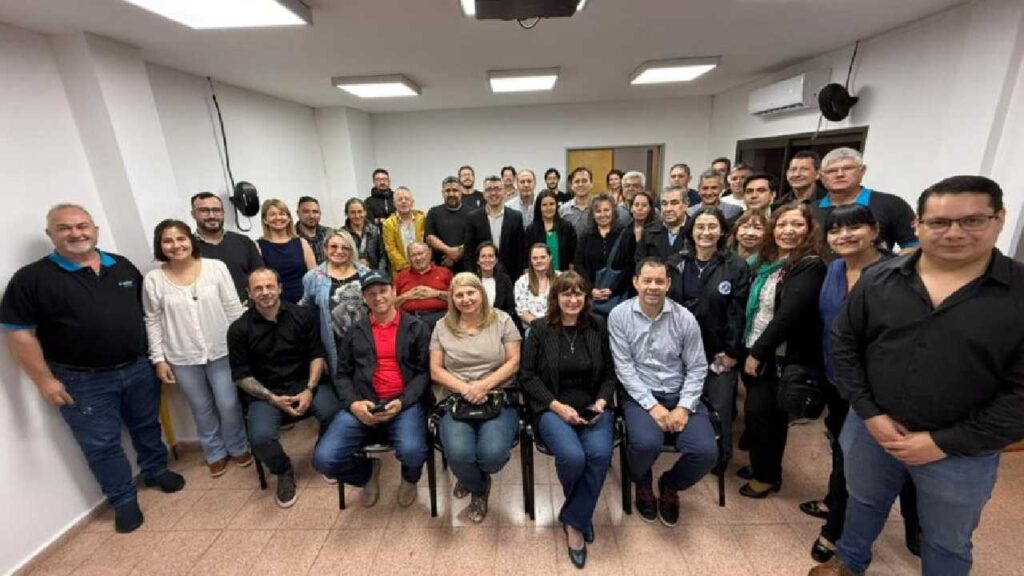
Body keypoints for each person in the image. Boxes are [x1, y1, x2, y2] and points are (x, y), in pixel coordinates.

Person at [812, 176, 1024, 576]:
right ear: (918, 225)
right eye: (940, 222)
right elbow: (845, 344)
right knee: (862, 502)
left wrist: (943, 442)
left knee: (946, 539)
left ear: (999, 219)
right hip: (872, 428)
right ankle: (849, 562)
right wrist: (870, 414)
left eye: (973, 220)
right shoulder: (880, 278)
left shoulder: (1018, 292)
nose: (954, 233)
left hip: (962, 448)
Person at [1, 204, 185, 533]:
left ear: (95, 230)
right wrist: (44, 381)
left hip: (137, 367)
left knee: (146, 425)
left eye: (82, 226)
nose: (76, 233)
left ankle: (155, 470)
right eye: (65, 228)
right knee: (101, 443)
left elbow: (147, 314)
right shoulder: (31, 279)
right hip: (82, 379)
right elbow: (19, 334)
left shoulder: (122, 266)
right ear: (50, 234)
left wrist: (155, 358)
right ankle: (123, 499)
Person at [807, 204, 919, 565]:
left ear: (874, 231)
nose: (844, 236)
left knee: (855, 459)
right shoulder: (835, 269)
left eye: (854, 227)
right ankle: (834, 502)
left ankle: (835, 532)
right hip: (835, 377)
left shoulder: (898, 273)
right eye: (836, 230)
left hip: (874, 387)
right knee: (840, 448)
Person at [609, 257, 718, 526]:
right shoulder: (619, 316)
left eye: (659, 281)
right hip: (640, 394)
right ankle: (643, 482)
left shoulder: (685, 318)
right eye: (647, 280)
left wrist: (684, 407)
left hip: (679, 393)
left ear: (668, 284)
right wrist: (652, 406)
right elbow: (624, 369)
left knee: (706, 452)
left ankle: (670, 484)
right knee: (645, 444)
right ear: (636, 282)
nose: (653, 287)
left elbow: (697, 367)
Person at [519, 271, 616, 568]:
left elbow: (610, 374)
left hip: (593, 406)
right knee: (573, 457)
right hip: (551, 407)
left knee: (599, 455)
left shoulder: (597, 325)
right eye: (566, 293)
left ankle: (574, 518)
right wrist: (557, 407)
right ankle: (580, 518)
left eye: (578, 293)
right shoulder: (539, 329)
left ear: (586, 297)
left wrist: (600, 402)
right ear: (556, 298)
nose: (573, 300)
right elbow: (527, 376)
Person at [312, 271, 431, 509]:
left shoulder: (416, 327)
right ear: (364, 298)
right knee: (324, 459)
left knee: (413, 451)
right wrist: (353, 404)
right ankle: (367, 473)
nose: (378, 297)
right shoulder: (355, 331)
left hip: (404, 402)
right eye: (371, 293)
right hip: (363, 403)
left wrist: (403, 401)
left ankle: (410, 479)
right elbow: (342, 374)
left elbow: (424, 373)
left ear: (394, 292)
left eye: (383, 291)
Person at [227, 268, 342, 508]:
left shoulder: (302, 315)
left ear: (279, 288)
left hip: (305, 383)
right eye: (258, 288)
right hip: (266, 393)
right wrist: (272, 398)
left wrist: (310, 389)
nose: (265, 292)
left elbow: (317, 355)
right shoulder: (238, 329)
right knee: (260, 438)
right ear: (249, 293)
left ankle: (324, 452)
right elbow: (241, 376)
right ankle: (283, 470)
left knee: (335, 412)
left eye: (269, 286)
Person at [143, 220, 249, 478]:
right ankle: (214, 452)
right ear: (160, 245)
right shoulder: (154, 279)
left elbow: (233, 308)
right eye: (168, 241)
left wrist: (243, 346)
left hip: (222, 349)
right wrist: (158, 359)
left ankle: (238, 445)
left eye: (181, 238)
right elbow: (152, 320)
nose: (176, 245)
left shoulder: (216, 267)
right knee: (201, 407)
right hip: (182, 355)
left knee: (228, 402)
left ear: (191, 240)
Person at [740, 203, 826, 498]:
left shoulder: (809, 265)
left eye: (797, 225)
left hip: (776, 354)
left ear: (809, 230)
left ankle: (765, 477)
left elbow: (788, 316)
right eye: (781, 225)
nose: (788, 231)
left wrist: (758, 352)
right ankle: (764, 467)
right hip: (756, 343)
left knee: (761, 415)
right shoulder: (770, 263)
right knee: (768, 416)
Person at [431, 272, 522, 523]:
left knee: (492, 456)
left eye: (470, 292)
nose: (466, 299)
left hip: (498, 394)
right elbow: (435, 370)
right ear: (452, 299)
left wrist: (483, 386)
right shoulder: (442, 326)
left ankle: (471, 475)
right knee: (459, 454)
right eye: (459, 295)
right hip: (456, 397)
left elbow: (514, 361)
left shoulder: (502, 320)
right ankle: (479, 487)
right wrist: (465, 389)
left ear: (481, 293)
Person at [665, 207, 750, 466]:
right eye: (700, 227)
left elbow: (739, 314)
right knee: (685, 403)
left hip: (718, 352)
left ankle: (719, 459)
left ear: (722, 231)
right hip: (680, 350)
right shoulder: (676, 263)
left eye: (712, 226)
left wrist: (732, 352)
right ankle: (692, 451)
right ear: (691, 231)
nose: (706, 232)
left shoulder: (736, 266)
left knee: (720, 407)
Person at [814, 147, 918, 252]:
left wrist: (894, 261)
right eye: (831, 171)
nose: (839, 174)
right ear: (821, 176)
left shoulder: (891, 204)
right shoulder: (811, 210)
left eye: (848, 168)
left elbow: (915, 246)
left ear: (862, 170)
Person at [299, 230, 369, 376]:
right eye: (333, 246)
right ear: (325, 248)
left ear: (351, 250)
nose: (339, 251)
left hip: (366, 343)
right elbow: (305, 313)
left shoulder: (365, 273)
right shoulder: (313, 277)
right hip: (332, 347)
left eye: (345, 247)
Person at [191, 192, 264, 303]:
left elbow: (260, 276)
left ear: (223, 212)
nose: (211, 216)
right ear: (193, 214)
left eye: (216, 210)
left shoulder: (244, 242)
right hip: (208, 310)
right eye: (204, 211)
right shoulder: (186, 247)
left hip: (247, 308)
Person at [573, 193, 629, 314]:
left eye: (606, 210)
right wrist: (590, 289)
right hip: (591, 298)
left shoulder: (624, 234)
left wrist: (613, 289)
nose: (603, 214)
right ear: (592, 214)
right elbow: (579, 265)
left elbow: (629, 266)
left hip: (618, 298)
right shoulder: (585, 236)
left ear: (613, 211)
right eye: (598, 211)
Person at [465, 175, 526, 278]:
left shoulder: (516, 217)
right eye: (489, 190)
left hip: (510, 275)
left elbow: (520, 250)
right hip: (481, 275)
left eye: (497, 189)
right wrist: (472, 276)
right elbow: (469, 252)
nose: (493, 193)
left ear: (504, 192)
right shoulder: (473, 218)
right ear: (484, 194)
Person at [257, 199, 315, 303]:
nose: (278, 217)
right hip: (276, 305)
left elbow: (314, 276)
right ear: (265, 220)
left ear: (288, 218)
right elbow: (260, 280)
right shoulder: (258, 246)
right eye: (272, 214)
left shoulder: (302, 243)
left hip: (305, 303)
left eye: (282, 214)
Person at [394, 241, 452, 328]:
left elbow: (456, 297)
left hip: (440, 317)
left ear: (429, 254)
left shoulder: (445, 273)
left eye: (420, 254)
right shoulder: (400, 277)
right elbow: (390, 304)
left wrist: (437, 293)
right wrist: (407, 296)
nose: (418, 258)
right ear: (408, 258)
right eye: (413, 255)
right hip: (410, 319)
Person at [425, 176, 472, 272]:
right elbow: (429, 237)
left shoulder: (472, 213)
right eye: (447, 191)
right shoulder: (433, 212)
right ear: (442, 193)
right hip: (440, 268)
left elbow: (475, 238)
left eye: (455, 190)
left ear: (461, 192)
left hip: (467, 269)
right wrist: (449, 251)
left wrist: (458, 253)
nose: (451, 194)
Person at [635, 186, 692, 262]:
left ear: (686, 204)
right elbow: (639, 262)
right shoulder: (648, 231)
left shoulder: (695, 230)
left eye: (674, 203)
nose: (668, 209)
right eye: (664, 204)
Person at [525, 190, 576, 273]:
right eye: (544, 205)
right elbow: (527, 258)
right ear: (539, 207)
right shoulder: (531, 230)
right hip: (539, 276)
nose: (548, 208)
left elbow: (572, 258)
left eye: (552, 204)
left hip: (563, 276)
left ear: (556, 205)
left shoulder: (567, 227)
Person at [381, 186, 425, 278]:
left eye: (406, 199)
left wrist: (422, 262)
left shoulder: (423, 218)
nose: (403, 201)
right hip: (401, 270)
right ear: (394, 203)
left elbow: (427, 242)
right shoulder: (388, 224)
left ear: (412, 202)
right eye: (400, 199)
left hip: (424, 266)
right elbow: (391, 248)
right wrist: (406, 266)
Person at [473, 241, 517, 326]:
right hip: (476, 324)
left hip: (500, 324)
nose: (487, 260)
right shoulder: (472, 280)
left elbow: (511, 309)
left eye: (491, 256)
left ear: (496, 260)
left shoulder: (505, 280)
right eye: (483, 256)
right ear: (478, 261)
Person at [515, 243, 558, 327]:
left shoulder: (561, 278)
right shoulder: (521, 282)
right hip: (533, 327)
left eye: (543, 257)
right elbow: (522, 312)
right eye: (535, 258)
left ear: (550, 258)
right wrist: (540, 326)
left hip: (557, 325)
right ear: (530, 260)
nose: (539, 261)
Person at [342, 198, 387, 272]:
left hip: (374, 273)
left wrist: (379, 273)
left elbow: (383, 255)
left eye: (360, 211)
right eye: (352, 212)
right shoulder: (342, 234)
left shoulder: (375, 230)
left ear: (365, 212)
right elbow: (341, 258)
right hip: (352, 273)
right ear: (347, 214)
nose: (357, 216)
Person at [559, 167, 594, 238]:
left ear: (591, 184)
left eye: (584, 181)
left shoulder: (599, 207)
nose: (580, 184)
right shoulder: (563, 210)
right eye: (577, 181)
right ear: (571, 186)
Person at [295, 196, 331, 265]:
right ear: (298, 213)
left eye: (315, 212)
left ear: (320, 213)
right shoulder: (291, 236)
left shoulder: (329, 233)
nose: (311, 216)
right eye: (306, 212)